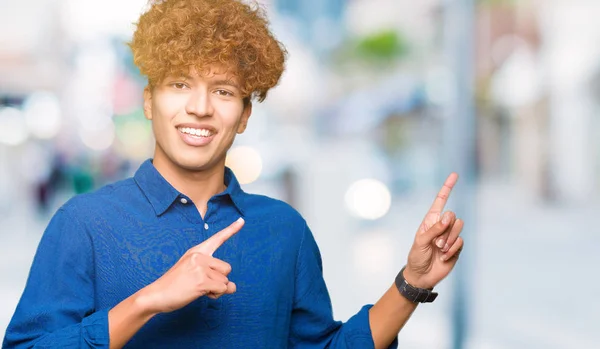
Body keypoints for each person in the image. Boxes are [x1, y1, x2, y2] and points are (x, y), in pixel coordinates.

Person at [3, 0, 464, 348]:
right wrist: (146, 301)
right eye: (180, 84)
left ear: (244, 115)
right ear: (148, 100)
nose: (200, 108)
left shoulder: (285, 230)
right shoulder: (84, 223)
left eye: (222, 91)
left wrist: (412, 282)